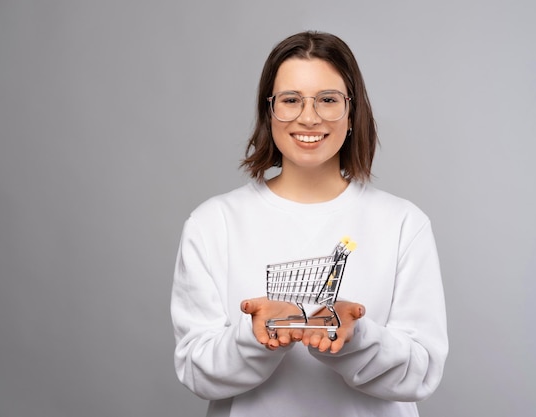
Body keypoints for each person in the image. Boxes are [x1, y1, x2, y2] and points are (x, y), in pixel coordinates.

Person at [171, 31, 448, 417]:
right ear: (269, 111)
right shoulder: (212, 224)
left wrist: (354, 337)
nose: (308, 117)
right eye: (290, 100)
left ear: (352, 113)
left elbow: (422, 372)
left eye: (328, 100)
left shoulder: (404, 224)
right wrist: (256, 336)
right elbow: (196, 371)